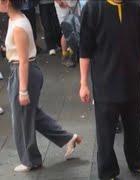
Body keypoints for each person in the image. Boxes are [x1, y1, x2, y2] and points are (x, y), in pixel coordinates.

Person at [79, 0, 140, 179]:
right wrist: (83, 83)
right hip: (105, 84)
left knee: (133, 127)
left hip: (132, 81)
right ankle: (108, 172)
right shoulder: (93, 8)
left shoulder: (136, 8)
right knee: (105, 133)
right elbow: (84, 50)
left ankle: (138, 162)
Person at [0, 0, 82, 172]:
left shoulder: (18, 25)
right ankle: (68, 138)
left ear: (6, 2)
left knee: (22, 119)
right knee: (32, 115)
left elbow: (23, 61)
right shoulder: (15, 20)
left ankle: (31, 160)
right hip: (24, 71)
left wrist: (22, 90)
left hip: (24, 72)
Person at [54, 0, 80, 67]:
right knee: (66, 31)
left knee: (75, 29)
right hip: (63, 5)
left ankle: (73, 54)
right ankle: (65, 56)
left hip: (74, 4)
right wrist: (59, 2)